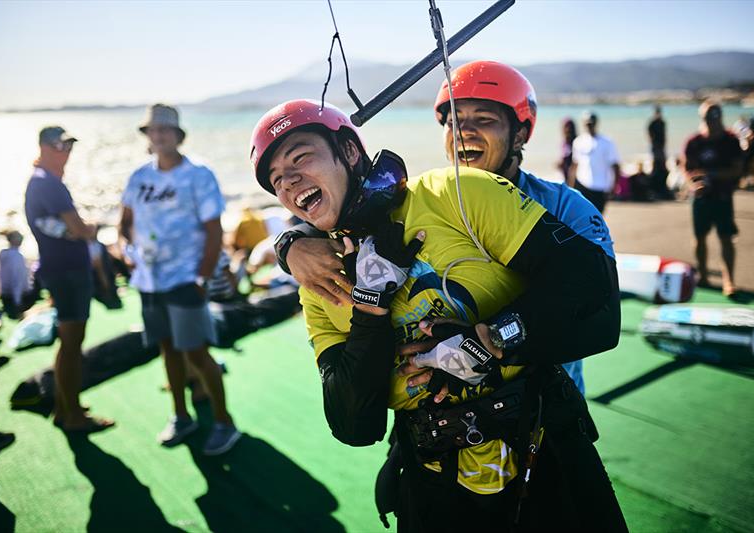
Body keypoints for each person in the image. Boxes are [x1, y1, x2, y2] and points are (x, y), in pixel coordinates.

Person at [250, 99, 625, 531]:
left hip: (546, 457)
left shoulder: (454, 193)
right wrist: (371, 304)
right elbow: (353, 423)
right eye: (277, 179)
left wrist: (492, 342)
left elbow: (593, 290)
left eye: (301, 157)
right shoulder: (321, 283)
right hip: (435, 488)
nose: (290, 179)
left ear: (350, 152)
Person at [119, 104, 240, 455]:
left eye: (165, 130)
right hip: (149, 282)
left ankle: (224, 422)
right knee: (167, 350)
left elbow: (213, 230)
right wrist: (127, 252)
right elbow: (124, 225)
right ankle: (181, 415)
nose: (159, 136)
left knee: (198, 354)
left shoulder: (199, 174)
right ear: (147, 136)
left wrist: (201, 277)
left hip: (186, 280)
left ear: (177, 135)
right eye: (153, 131)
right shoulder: (139, 177)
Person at [24, 126, 114, 432]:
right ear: (46, 148)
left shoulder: (41, 182)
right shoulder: (49, 184)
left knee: (69, 343)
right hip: (67, 274)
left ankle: (66, 407)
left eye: (70, 146)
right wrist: (91, 226)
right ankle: (72, 414)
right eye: (62, 146)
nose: (67, 153)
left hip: (59, 271)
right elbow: (79, 229)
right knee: (72, 345)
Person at [683, 100, 744, 297]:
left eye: (715, 116)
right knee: (699, 238)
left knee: (726, 238)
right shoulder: (694, 142)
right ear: (702, 118)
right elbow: (687, 169)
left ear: (721, 116)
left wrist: (710, 175)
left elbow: (737, 170)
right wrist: (693, 184)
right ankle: (703, 276)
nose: (712, 121)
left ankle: (729, 281)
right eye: (708, 117)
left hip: (723, 197)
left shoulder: (730, 140)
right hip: (700, 198)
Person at [569, 111, 621, 213]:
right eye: (587, 124)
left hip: (600, 187)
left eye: (592, 123)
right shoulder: (578, 142)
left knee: (597, 218)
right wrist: (570, 187)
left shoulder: (607, 142)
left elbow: (615, 166)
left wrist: (614, 186)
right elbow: (575, 165)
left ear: (596, 123)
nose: (590, 126)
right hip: (582, 185)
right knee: (582, 216)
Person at [0, 231, 35, 319]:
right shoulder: (16, 256)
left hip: (6, 296)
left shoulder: (4, 254)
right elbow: (17, 279)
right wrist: (18, 301)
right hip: (18, 297)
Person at [647, 105, 670, 198]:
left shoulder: (662, 122)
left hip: (661, 147)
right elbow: (650, 134)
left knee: (662, 166)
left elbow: (664, 135)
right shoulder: (653, 123)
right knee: (657, 166)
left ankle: (661, 188)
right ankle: (655, 188)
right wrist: (654, 143)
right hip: (656, 147)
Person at [558, 117, 577, 182]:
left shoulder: (577, 142)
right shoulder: (564, 143)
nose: (568, 129)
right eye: (566, 127)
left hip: (574, 177)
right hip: (565, 175)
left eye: (570, 127)